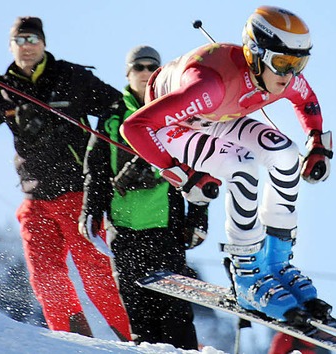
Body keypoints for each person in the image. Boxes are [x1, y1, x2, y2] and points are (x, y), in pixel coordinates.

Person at [120, 6, 334, 324]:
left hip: (217, 115)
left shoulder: (281, 78)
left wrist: (316, 142)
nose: (288, 75)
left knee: (286, 153)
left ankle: (276, 263)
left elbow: (307, 100)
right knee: (242, 165)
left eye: (298, 64)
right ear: (256, 54)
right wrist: (181, 174)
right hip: (175, 123)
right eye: (282, 63)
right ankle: (246, 274)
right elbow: (135, 126)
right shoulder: (208, 86)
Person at [0, 17, 132, 340]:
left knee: (94, 271)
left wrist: (104, 151)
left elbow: (117, 107)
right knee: (45, 276)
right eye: (20, 40)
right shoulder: (5, 91)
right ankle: (74, 343)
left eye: (33, 39)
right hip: (36, 200)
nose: (27, 46)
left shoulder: (71, 77)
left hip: (77, 193)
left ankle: (134, 337)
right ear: (11, 46)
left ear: (43, 43)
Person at [78, 45, 208, 348]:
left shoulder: (176, 113)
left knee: (175, 316)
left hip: (166, 229)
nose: (146, 73)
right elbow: (95, 169)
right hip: (124, 231)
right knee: (139, 317)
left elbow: (199, 167)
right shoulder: (111, 117)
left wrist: (198, 217)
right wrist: (91, 210)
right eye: (139, 67)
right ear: (128, 73)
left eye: (153, 67)